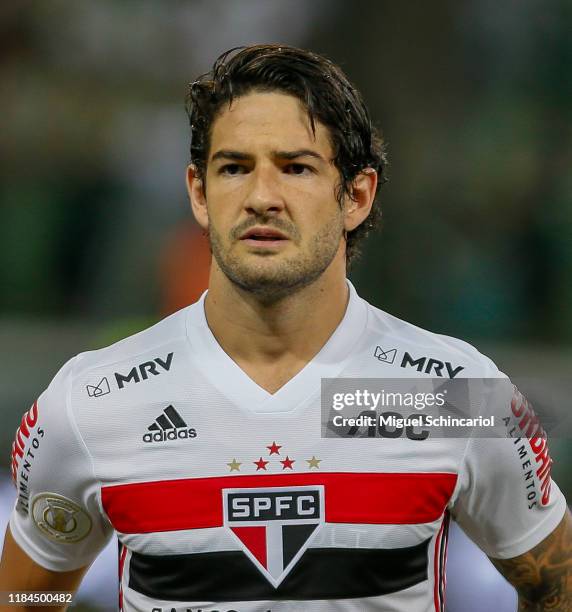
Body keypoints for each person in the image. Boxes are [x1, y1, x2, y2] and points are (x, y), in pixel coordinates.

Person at [0, 44, 570, 612]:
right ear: (199, 193)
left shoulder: (451, 394)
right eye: (234, 168)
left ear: (357, 195)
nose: (261, 198)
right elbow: (25, 597)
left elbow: (555, 585)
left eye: (296, 167)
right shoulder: (91, 402)